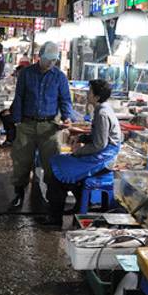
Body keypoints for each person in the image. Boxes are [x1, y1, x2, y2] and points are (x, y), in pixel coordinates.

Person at [38, 79, 122, 227]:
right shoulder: (102, 109)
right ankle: (80, 205)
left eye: (90, 92)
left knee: (59, 173)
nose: (87, 94)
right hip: (102, 155)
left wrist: (78, 152)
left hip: (104, 159)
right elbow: (99, 136)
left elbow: (99, 145)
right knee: (60, 162)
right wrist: (83, 137)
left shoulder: (102, 113)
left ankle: (55, 218)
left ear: (97, 97)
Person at [9, 41, 72, 209]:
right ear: (40, 57)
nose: (51, 63)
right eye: (48, 59)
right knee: (21, 162)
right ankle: (19, 193)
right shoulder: (26, 73)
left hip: (49, 126)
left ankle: (52, 198)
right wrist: (17, 120)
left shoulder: (59, 77)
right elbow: (19, 96)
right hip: (27, 123)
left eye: (54, 60)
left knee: (51, 164)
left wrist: (67, 117)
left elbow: (65, 99)